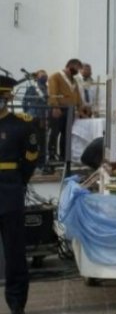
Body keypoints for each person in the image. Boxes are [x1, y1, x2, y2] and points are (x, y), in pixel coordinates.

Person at [0, 75, 39, 314]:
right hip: (10, 188)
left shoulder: (21, 124)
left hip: (9, 192)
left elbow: (31, 159)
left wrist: (17, 181)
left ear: (7, 98)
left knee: (14, 253)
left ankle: (16, 303)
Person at [47, 58, 86, 161]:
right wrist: (55, 106)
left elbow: (77, 96)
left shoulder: (73, 80)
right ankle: (51, 156)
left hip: (70, 110)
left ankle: (63, 156)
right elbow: (53, 93)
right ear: (70, 66)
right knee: (54, 133)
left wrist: (80, 108)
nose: (77, 72)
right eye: (77, 69)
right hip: (59, 109)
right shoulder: (55, 77)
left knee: (66, 134)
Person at [23, 70, 49, 170]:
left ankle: (41, 162)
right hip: (34, 117)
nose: (45, 76)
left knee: (42, 141)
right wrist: (28, 114)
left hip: (43, 117)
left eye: (45, 75)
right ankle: (32, 162)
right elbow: (25, 102)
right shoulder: (33, 87)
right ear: (37, 77)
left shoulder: (46, 88)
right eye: (42, 75)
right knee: (33, 140)